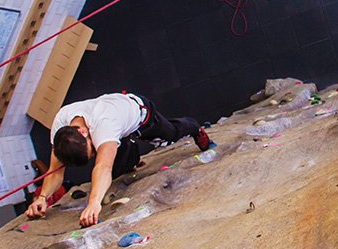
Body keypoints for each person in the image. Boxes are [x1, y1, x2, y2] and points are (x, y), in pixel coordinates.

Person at [26, 92, 212, 226]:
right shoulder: (61, 128)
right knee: (116, 173)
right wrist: (42, 197)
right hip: (117, 127)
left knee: (171, 135)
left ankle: (195, 128)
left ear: (83, 132)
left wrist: (93, 204)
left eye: (92, 152)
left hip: (140, 114)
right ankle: (128, 153)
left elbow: (102, 167)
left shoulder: (104, 124)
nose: (93, 156)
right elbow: (55, 171)